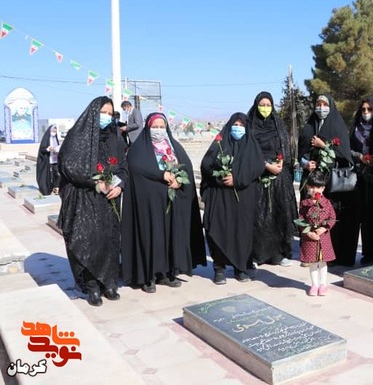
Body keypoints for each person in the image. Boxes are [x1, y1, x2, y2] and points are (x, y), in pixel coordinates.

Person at [121, 113, 206, 293]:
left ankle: (167, 273)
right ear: (148, 128)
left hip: (171, 202)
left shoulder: (173, 146)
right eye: (155, 127)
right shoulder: (138, 148)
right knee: (152, 237)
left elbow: (186, 167)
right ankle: (148, 277)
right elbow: (136, 167)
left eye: (162, 127)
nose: (158, 131)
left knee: (169, 237)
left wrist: (179, 181)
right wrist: (161, 175)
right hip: (149, 204)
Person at [57, 96, 128, 307]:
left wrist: (119, 186)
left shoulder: (115, 138)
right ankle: (92, 285)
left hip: (109, 200)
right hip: (85, 199)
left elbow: (123, 167)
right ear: (93, 113)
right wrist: (95, 182)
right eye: (102, 112)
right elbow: (69, 166)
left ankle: (108, 282)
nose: (106, 117)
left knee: (109, 240)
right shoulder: (78, 136)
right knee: (89, 240)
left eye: (110, 114)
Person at [200, 113, 266, 284]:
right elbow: (206, 165)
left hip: (243, 198)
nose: (238, 128)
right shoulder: (220, 145)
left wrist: (237, 178)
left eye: (241, 125)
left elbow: (257, 167)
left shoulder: (252, 146)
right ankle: (219, 268)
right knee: (219, 229)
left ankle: (240, 268)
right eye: (235, 125)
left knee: (242, 233)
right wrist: (221, 177)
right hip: (220, 196)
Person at [297, 94, 354, 266]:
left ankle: (328, 254)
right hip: (311, 179)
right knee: (309, 214)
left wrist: (324, 146)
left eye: (325, 104)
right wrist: (305, 163)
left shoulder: (338, 127)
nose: (321, 108)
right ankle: (309, 255)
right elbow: (301, 153)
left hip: (330, 182)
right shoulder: (309, 127)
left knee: (326, 215)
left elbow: (344, 154)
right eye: (318, 104)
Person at [247, 92, 297, 268]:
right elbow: (247, 151)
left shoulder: (277, 124)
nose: (265, 108)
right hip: (257, 177)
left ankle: (278, 254)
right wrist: (266, 165)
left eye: (268, 105)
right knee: (258, 216)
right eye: (262, 105)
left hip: (278, 179)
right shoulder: (249, 126)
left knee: (277, 214)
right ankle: (255, 255)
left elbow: (284, 147)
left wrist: (281, 162)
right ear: (256, 106)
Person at [348, 97, 373, 264]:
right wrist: (360, 157)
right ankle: (368, 252)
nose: (366, 112)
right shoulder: (355, 127)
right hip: (360, 176)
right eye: (363, 109)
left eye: (369, 109)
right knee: (363, 216)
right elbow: (347, 148)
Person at [298, 170, 336, 296]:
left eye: (318, 187)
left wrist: (324, 228)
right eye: (312, 187)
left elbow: (332, 218)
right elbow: (301, 220)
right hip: (310, 238)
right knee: (313, 262)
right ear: (307, 187)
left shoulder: (327, 203)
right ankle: (314, 284)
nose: (315, 190)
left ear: (323, 188)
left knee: (323, 262)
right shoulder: (305, 203)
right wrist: (308, 232)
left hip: (323, 237)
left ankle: (323, 284)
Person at [36, 124, 61, 195]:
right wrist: (48, 149)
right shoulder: (46, 139)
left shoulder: (55, 139)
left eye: (55, 131)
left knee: (57, 174)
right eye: (53, 131)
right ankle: (48, 189)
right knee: (50, 176)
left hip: (55, 160)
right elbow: (42, 150)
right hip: (48, 160)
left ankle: (56, 187)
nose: (54, 132)